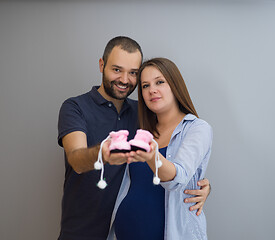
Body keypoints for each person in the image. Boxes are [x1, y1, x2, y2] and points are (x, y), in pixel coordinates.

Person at [57, 36, 211, 240]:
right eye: (117, 69)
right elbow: (76, 159)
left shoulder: (142, 115)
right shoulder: (75, 107)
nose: (124, 79)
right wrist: (102, 154)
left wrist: (200, 186)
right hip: (82, 230)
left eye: (133, 73)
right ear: (102, 65)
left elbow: (178, 167)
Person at [107, 58, 213, 240]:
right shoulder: (140, 132)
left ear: (175, 85)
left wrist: (152, 156)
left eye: (159, 82)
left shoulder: (197, 128)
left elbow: (177, 179)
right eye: (145, 86)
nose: (152, 90)